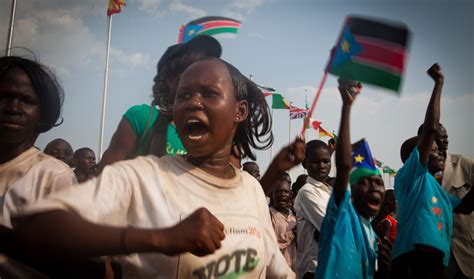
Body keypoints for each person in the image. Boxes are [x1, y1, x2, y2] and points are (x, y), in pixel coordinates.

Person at [11, 58, 296, 278]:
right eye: (183, 96)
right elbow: (36, 227)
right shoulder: (142, 177)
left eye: (209, 93)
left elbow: (275, 270)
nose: (193, 103)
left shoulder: (251, 190)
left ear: (240, 111)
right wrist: (160, 238)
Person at [391, 64, 474, 279]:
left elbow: (465, 207)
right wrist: (438, 84)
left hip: (437, 260)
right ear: (417, 158)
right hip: (413, 255)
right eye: (434, 151)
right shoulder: (410, 177)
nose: (440, 154)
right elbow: (430, 130)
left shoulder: (434, 188)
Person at [97, 35, 222, 173]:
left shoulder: (207, 131)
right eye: (188, 72)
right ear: (169, 79)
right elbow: (104, 179)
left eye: (201, 72)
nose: (197, 78)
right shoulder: (142, 118)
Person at [315, 79, 390, 279]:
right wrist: (347, 106)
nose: (375, 187)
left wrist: (384, 267)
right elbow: (344, 166)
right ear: (351, 193)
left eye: (379, 183)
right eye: (365, 182)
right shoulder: (343, 214)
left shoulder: (372, 235)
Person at [0, 56, 76, 228]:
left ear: (44, 115)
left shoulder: (52, 176)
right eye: (4, 97)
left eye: (27, 101)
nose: (13, 108)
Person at [418, 123, 474, 279]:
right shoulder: (418, 175)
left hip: (466, 252)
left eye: (446, 137)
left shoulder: (463, 164)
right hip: (435, 259)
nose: (445, 141)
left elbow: (465, 207)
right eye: (440, 137)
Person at [293, 140, 332, 278]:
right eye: (315, 162)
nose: (322, 166)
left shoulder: (329, 191)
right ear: (305, 163)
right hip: (313, 270)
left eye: (326, 161)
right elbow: (332, 226)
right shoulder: (307, 192)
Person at [269, 172, 297, 271]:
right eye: (278, 191)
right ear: (272, 194)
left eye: (285, 191)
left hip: (294, 266)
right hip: (276, 268)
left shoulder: (293, 213)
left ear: (290, 194)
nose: (282, 194)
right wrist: (291, 234)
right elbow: (269, 242)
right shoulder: (269, 214)